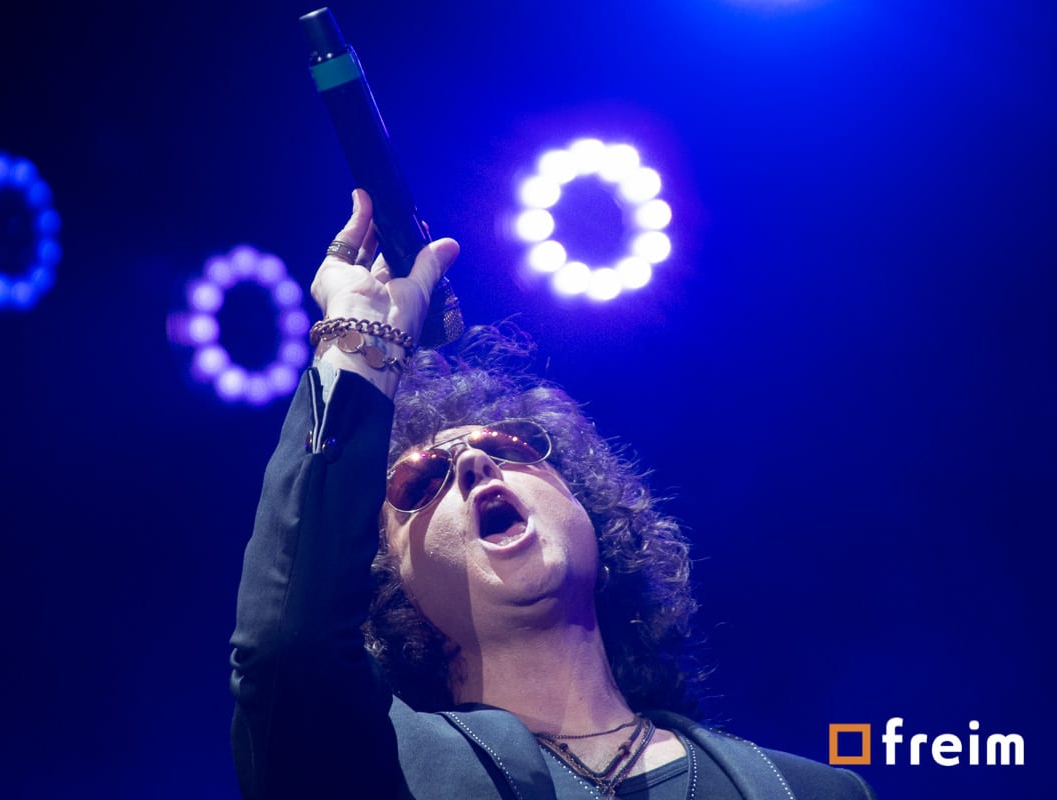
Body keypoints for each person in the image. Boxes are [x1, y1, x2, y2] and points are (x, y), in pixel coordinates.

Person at [229, 189, 876, 799]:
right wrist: (362, 346)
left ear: (591, 519)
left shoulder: (811, 791)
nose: (476, 463)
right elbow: (290, 648)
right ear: (392, 588)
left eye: (510, 447)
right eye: (421, 480)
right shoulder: (374, 764)